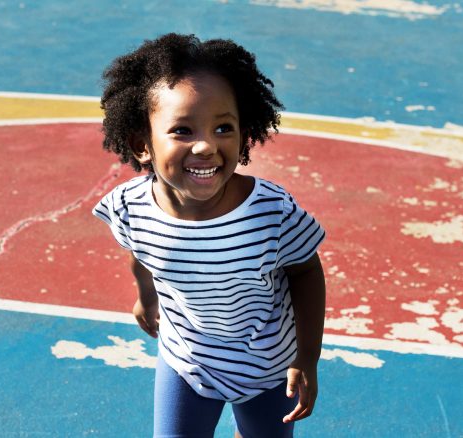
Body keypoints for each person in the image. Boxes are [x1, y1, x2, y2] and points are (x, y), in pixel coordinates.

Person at [93, 33, 326, 438]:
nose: (205, 145)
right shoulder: (129, 206)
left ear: (244, 132)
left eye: (223, 127)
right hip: (188, 359)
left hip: (267, 366)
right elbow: (139, 251)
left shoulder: (269, 212)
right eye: (182, 130)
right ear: (141, 144)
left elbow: (305, 272)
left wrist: (307, 357)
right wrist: (146, 298)